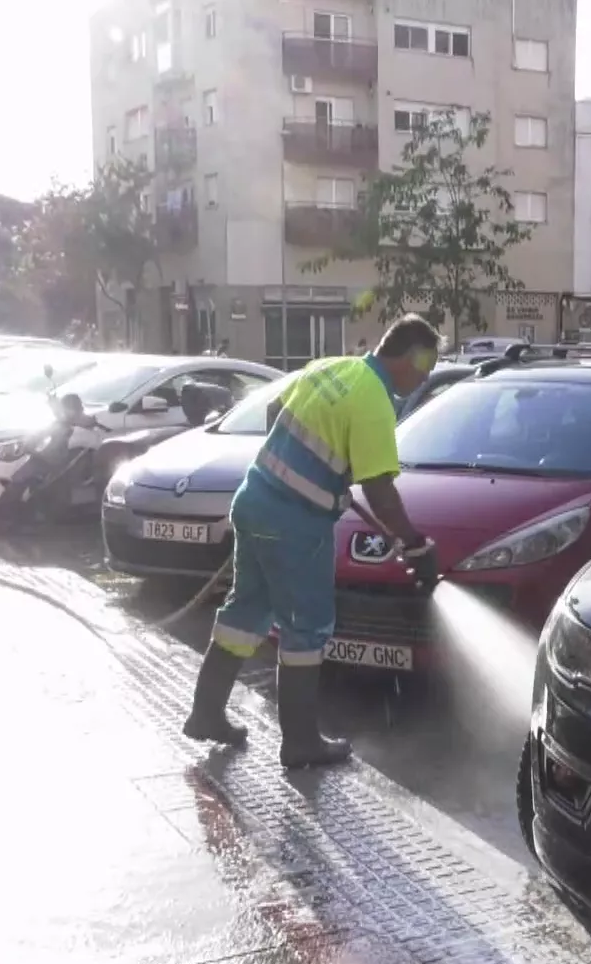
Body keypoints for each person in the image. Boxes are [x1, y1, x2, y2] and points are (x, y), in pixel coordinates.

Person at [185, 313, 444, 765]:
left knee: (244, 613)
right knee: (306, 629)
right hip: (294, 526)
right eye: (425, 365)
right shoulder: (374, 399)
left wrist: (315, 469)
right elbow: (381, 492)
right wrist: (416, 544)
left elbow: (273, 412)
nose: (424, 376)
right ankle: (300, 742)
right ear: (408, 356)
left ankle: (206, 713)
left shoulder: (330, 367)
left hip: (254, 502)